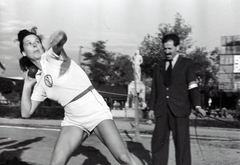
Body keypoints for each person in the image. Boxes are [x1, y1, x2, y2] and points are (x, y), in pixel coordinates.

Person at [17, 27, 143, 165]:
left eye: (37, 41)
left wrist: (57, 37)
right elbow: (26, 112)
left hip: (93, 109)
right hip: (73, 119)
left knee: (123, 157)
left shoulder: (52, 56)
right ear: (24, 52)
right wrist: (27, 85)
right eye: (29, 43)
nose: (35, 44)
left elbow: (61, 38)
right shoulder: (40, 80)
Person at [148, 33, 206, 165]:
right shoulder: (158, 66)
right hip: (162, 110)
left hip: (180, 110)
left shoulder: (187, 64)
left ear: (177, 47)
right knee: (158, 144)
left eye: (170, 48)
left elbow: (192, 85)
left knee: (182, 145)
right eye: (165, 49)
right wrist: (151, 107)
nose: (167, 52)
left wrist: (197, 106)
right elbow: (155, 88)